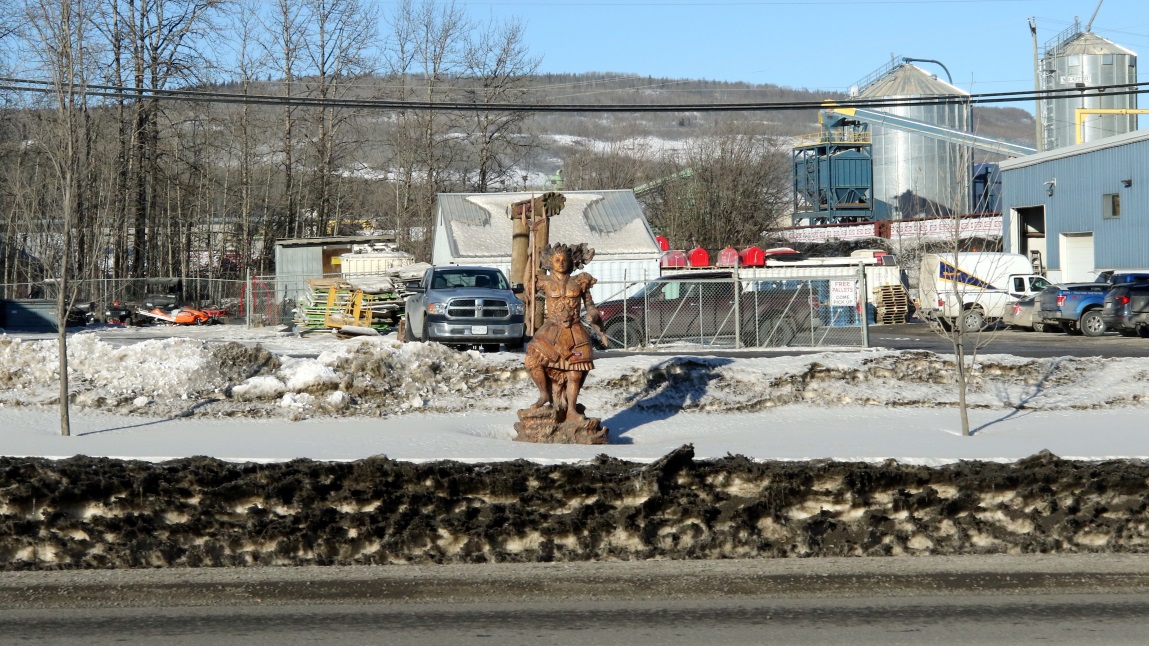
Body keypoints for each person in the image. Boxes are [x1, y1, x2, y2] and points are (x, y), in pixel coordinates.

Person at [524, 242, 604, 422]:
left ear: (571, 261)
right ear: (550, 262)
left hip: (575, 331)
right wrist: (530, 258)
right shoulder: (544, 281)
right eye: (557, 260)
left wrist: (593, 315)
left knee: (575, 373)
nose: (561, 263)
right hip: (551, 330)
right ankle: (544, 394)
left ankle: (572, 409)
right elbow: (526, 289)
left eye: (564, 260)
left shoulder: (580, 281)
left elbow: (590, 306)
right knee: (531, 360)